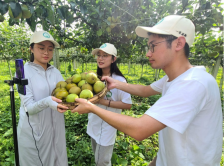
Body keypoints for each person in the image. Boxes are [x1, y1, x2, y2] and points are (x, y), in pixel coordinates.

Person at [72, 15, 223, 166]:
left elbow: (140, 129)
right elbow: (145, 90)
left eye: (153, 46)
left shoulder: (192, 84)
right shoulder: (172, 78)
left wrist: (92, 107)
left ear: (178, 43)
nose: (148, 53)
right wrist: (116, 84)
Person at [17, 31, 68, 166]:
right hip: (34, 132)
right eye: (41, 48)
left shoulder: (55, 72)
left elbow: (66, 94)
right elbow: (28, 108)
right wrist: (47, 101)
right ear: (31, 48)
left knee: (58, 160)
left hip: (56, 130)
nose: (46, 52)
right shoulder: (23, 72)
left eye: (50, 49)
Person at [88, 43, 132, 165]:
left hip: (107, 127)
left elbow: (127, 104)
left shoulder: (119, 81)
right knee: (97, 160)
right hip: (94, 123)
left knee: (102, 162)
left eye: (105, 55)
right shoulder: (95, 78)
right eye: (99, 55)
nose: (100, 58)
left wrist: (103, 101)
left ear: (113, 59)